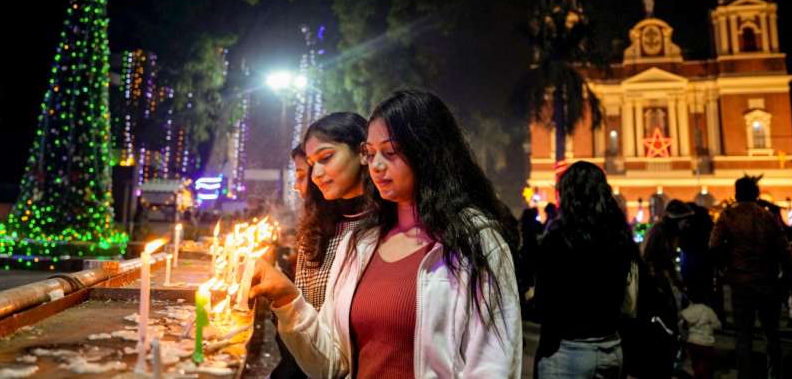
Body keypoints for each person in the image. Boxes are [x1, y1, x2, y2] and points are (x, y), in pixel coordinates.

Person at [253, 89, 522, 378]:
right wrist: (286, 297)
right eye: (371, 153)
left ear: (428, 152)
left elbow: (492, 366)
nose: (376, 166)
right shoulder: (359, 243)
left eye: (390, 152)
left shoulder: (476, 243)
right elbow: (332, 364)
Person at [269, 112, 371, 379]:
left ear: (363, 152)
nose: (316, 175)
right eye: (312, 165)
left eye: (326, 159)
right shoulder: (316, 230)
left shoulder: (384, 230)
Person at [533, 161, 639, 379]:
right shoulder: (620, 237)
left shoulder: (557, 240)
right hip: (611, 347)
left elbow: (544, 303)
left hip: (567, 349)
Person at [710, 175, 792, 379]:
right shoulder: (767, 216)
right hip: (768, 281)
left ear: (737, 193)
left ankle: (745, 374)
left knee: (743, 335)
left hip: (741, 283)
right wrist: (789, 280)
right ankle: (775, 373)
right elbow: (785, 250)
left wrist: (724, 269)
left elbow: (713, 247)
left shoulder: (728, 215)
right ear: (756, 193)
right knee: (772, 333)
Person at [679, 289, 721, 379]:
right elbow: (717, 325)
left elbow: (681, 320)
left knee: (696, 363)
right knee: (706, 367)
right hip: (706, 343)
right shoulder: (708, 310)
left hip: (693, 342)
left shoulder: (690, 310)